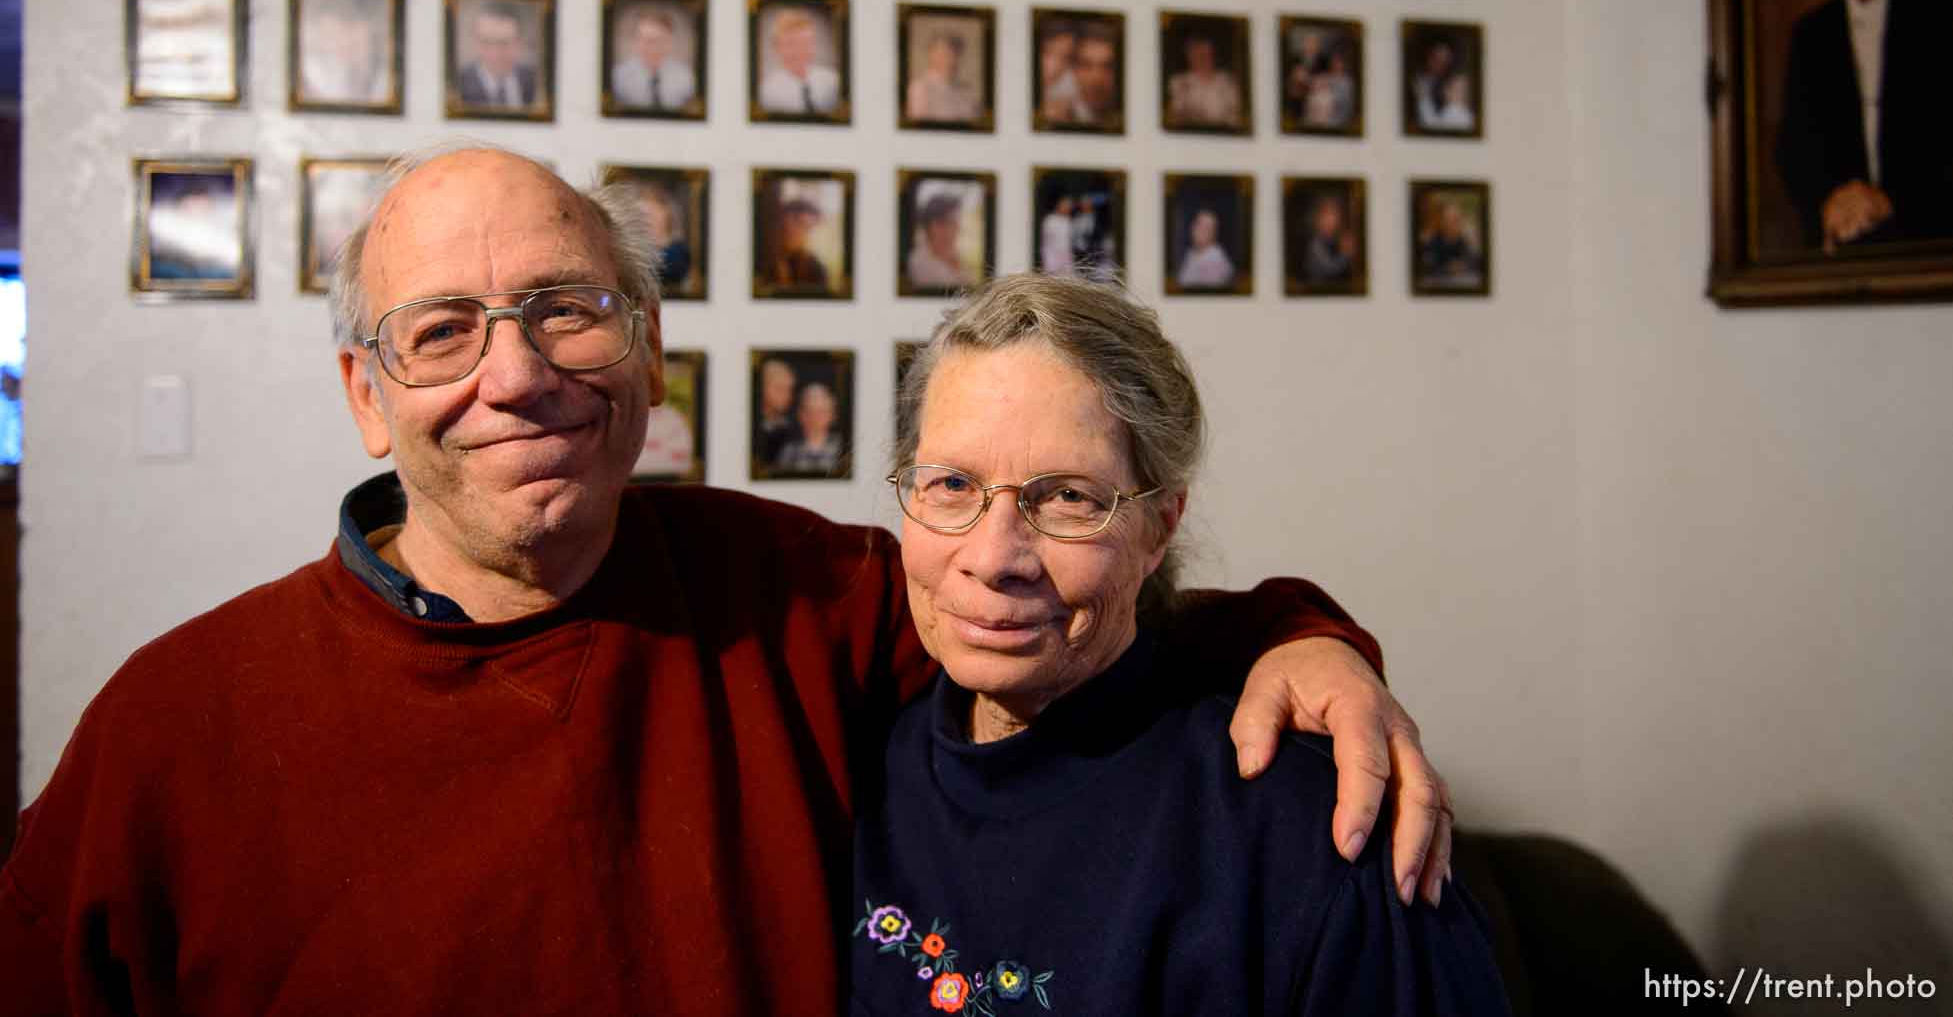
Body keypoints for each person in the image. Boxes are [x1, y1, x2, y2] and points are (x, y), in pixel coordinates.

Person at [1, 148, 1457, 1014]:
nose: (517, 375)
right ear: (365, 395)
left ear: (643, 343)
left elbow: (1042, 608)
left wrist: (1301, 636)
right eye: (444, 331)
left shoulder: (785, 591)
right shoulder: (173, 728)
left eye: (567, 311)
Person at [856, 275, 1507, 1015]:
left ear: (1159, 527)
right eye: (950, 484)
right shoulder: (852, 769)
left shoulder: (1317, 831)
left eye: (1069, 497)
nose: (994, 555)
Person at [1775, 0, 1953, 252]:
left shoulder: (1940, 9)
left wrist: (1891, 201)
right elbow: (1795, 147)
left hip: (1932, 232)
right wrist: (1829, 203)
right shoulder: (1810, 35)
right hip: (1844, 241)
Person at [299, 0, 391, 106]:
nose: (342, 43)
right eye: (330, 37)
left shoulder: (386, 78)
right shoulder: (320, 75)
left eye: (350, 30)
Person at [455, 3, 539, 110]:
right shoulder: (458, 87)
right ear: (475, 42)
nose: (495, 53)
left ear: (520, 43)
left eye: (504, 43)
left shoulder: (537, 83)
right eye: (487, 42)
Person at [610, 10, 697, 112]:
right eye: (645, 39)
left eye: (659, 40)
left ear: (670, 42)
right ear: (635, 42)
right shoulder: (618, 78)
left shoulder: (686, 78)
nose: (652, 47)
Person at [758, 8, 841, 115]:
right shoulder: (767, 93)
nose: (800, 50)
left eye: (806, 42)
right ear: (777, 48)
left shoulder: (833, 81)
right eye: (791, 43)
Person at [1168, 31, 1244, 127]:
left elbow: (1236, 120)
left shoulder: (1229, 82)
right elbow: (1175, 119)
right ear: (1187, 55)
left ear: (1214, 54)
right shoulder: (1177, 82)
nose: (1201, 58)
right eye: (1194, 52)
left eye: (1205, 53)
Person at [904, 29, 978, 123]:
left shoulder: (967, 91)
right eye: (943, 53)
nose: (950, 59)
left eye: (955, 53)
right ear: (931, 55)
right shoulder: (919, 88)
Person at [765, 190, 831, 291]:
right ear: (782, 220)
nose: (799, 232)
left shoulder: (816, 269)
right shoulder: (763, 257)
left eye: (807, 228)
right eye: (798, 222)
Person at [773, 382, 845, 475]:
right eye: (809, 411)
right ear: (800, 415)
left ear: (832, 415)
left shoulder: (843, 449)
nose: (815, 418)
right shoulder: (788, 452)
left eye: (821, 412)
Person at [906, 191, 972, 290]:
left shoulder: (953, 255)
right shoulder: (918, 263)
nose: (949, 231)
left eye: (954, 223)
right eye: (942, 223)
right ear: (928, 225)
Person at [1300, 193, 1356, 285]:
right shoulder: (1315, 243)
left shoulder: (1334, 237)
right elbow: (1330, 268)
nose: (1330, 222)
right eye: (1325, 218)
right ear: (1317, 221)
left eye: (1334, 217)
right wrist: (1345, 253)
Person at [755, 356, 800, 463]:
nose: (788, 395)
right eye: (780, 388)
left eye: (789, 389)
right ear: (762, 387)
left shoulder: (795, 427)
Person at [1176, 208, 1236, 287]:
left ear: (1214, 235)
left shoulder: (1216, 259)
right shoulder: (1191, 253)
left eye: (1207, 228)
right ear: (1192, 227)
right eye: (1199, 224)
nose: (1201, 230)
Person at [1038, 195, 1076, 274]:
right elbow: (1046, 242)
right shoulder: (1050, 220)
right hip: (1052, 257)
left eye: (1069, 206)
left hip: (1066, 257)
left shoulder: (1068, 221)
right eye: (1065, 205)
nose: (1067, 208)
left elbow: (1069, 242)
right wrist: (1048, 260)